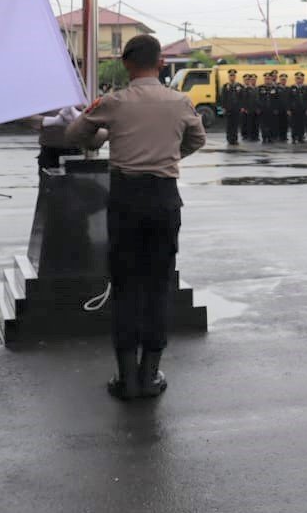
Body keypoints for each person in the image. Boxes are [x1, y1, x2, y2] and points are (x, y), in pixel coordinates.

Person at [64, 34, 206, 400]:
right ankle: (150, 375)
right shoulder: (180, 101)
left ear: (126, 63)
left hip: (126, 198)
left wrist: (109, 133)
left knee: (126, 287)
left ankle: (126, 379)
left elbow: (75, 133)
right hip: (163, 198)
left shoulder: (113, 102)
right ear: (160, 63)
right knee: (159, 286)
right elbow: (197, 140)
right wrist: (168, 156)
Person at [222, 69, 241, 146]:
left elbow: (242, 97)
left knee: (235, 125)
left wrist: (241, 107)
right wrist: (223, 108)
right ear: (229, 77)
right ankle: (229, 139)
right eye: (230, 75)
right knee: (229, 125)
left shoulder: (239, 86)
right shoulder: (225, 86)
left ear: (235, 77)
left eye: (233, 75)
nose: (232, 77)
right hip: (228, 109)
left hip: (236, 109)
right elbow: (223, 98)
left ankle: (235, 139)